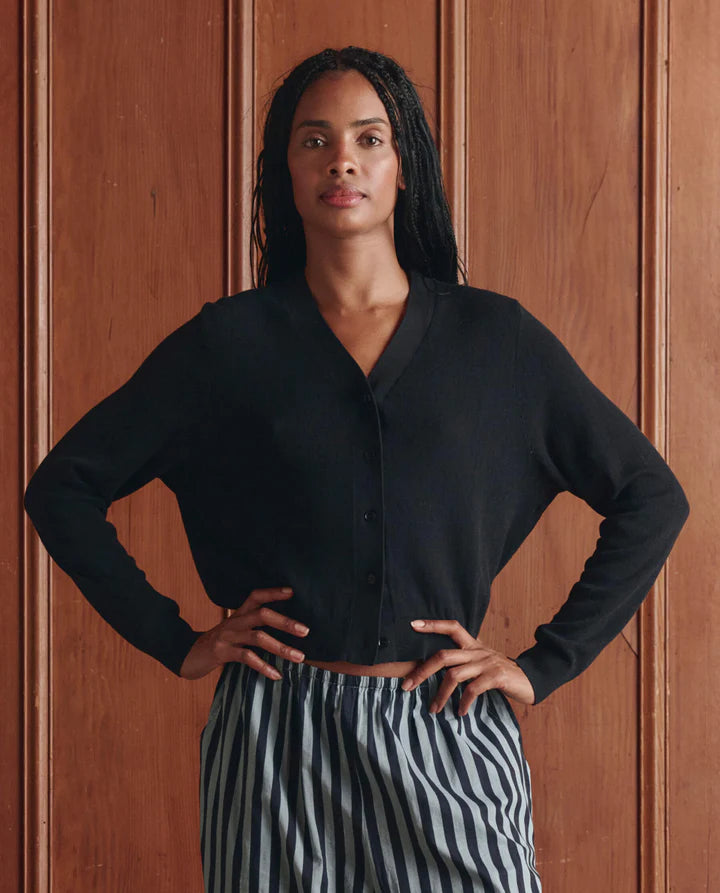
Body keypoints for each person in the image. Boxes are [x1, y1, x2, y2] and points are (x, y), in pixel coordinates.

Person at [23, 45, 689, 893]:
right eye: (315, 140)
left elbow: (649, 495)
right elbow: (64, 487)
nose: (342, 160)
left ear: (404, 166)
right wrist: (178, 640)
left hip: (444, 730)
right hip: (274, 740)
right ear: (286, 169)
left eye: (369, 138)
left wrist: (543, 662)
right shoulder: (227, 346)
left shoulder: (497, 342)